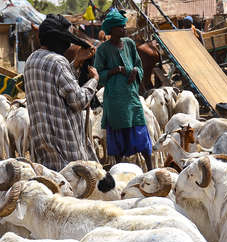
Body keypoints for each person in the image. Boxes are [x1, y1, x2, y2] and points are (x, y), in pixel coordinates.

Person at [24, 14, 99, 171]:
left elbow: (56, 83)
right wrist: (94, 81)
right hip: (67, 149)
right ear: (59, 40)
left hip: (44, 149)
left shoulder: (31, 61)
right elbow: (78, 101)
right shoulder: (58, 62)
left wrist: (77, 62)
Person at [94, 9, 153, 170]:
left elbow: (139, 65)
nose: (124, 29)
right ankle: (119, 169)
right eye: (120, 27)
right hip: (114, 99)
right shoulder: (103, 49)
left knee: (140, 129)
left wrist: (135, 70)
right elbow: (98, 74)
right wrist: (115, 70)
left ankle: (151, 168)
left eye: (123, 26)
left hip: (131, 96)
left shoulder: (129, 44)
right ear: (111, 30)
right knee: (118, 134)